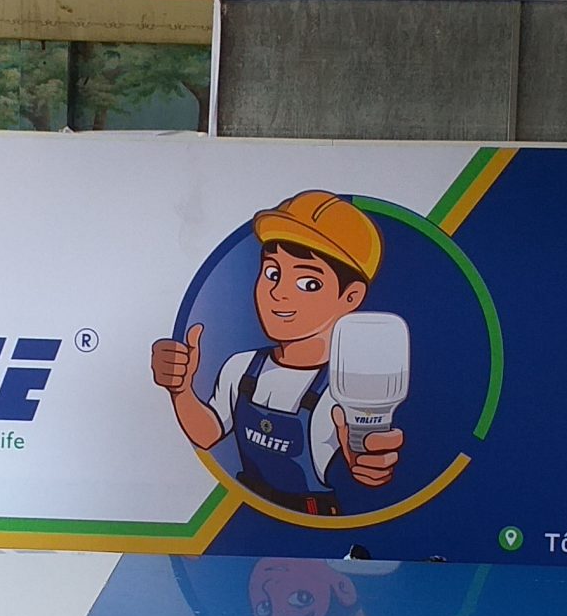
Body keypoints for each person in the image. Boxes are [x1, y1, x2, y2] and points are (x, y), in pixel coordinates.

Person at [151, 190, 403, 516]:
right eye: (272, 273)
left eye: (308, 283)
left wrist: (366, 461)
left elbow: (364, 457)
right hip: (248, 514)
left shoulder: (346, 390)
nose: (278, 293)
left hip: (314, 524)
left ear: (351, 297)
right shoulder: (241, 367)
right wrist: (181, 390)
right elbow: (209, 433)